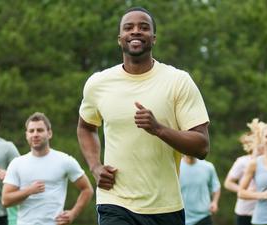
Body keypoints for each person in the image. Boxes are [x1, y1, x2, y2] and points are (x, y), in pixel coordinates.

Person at [77, 6, 210, 225]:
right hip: (115, 201)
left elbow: (202, 146)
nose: (136, 31)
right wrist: (95, 166)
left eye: (144, 27)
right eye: (128, 28)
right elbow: (86, 127)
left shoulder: (178, 81)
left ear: (154, 38)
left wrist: (159, 129)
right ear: (120, 39)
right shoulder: (98, 83)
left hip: (165, 205)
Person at [2, 112, 93, 225]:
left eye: (40, 130)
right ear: (26, 135)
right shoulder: (17, 164)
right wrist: (29, 190)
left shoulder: (65, 161)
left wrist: (73, 214)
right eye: (31, 131)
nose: (35, 134)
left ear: (49, 134)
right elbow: (5, 200)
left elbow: (87, 189)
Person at [224, 118, 264, 225]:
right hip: (245, 212)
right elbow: (228, 183)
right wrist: (244, 191)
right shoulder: (242, 162)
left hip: (264, 211)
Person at [180, 155, 221, 225]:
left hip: (203, 217)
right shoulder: (175, 167)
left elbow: (216, 187)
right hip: (182, 218)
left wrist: (214, 202)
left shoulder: (208, 167)